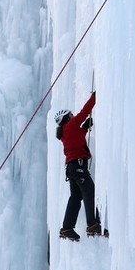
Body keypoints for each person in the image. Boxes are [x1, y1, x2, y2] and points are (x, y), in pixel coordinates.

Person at [54, 91, 102, 241]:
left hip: (71, 168)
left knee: (76, 196)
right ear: (67, 118)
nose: (74, 116)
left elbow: (77, 136)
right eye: (71, 115)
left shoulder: (66, 131)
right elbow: (84, 111)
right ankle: (92, 224)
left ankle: (67, 227)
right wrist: (95, 97)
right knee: (89, 190)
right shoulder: (72, 124)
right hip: (78, 166)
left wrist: (85, 128)